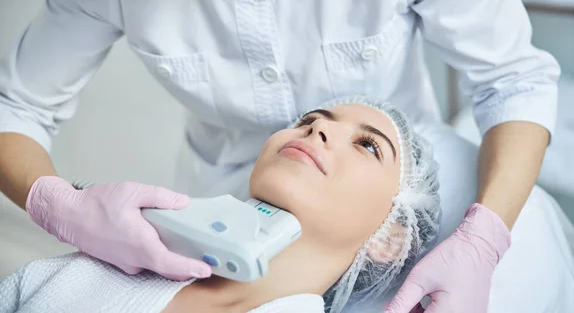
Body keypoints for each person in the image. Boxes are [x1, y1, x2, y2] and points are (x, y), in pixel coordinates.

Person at [0, 0, 560, 312]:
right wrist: (59, 204)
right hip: (209, 220)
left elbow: (515, 81)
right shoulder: (62, 284)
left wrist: (484, 239)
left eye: (364, 142)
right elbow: (14, 108)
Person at [0, 100, 441, 313]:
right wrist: (59, 199)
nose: (318, 128)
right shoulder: (80, 272)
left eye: (367, 145)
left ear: (391, 238)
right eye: (308, 120)